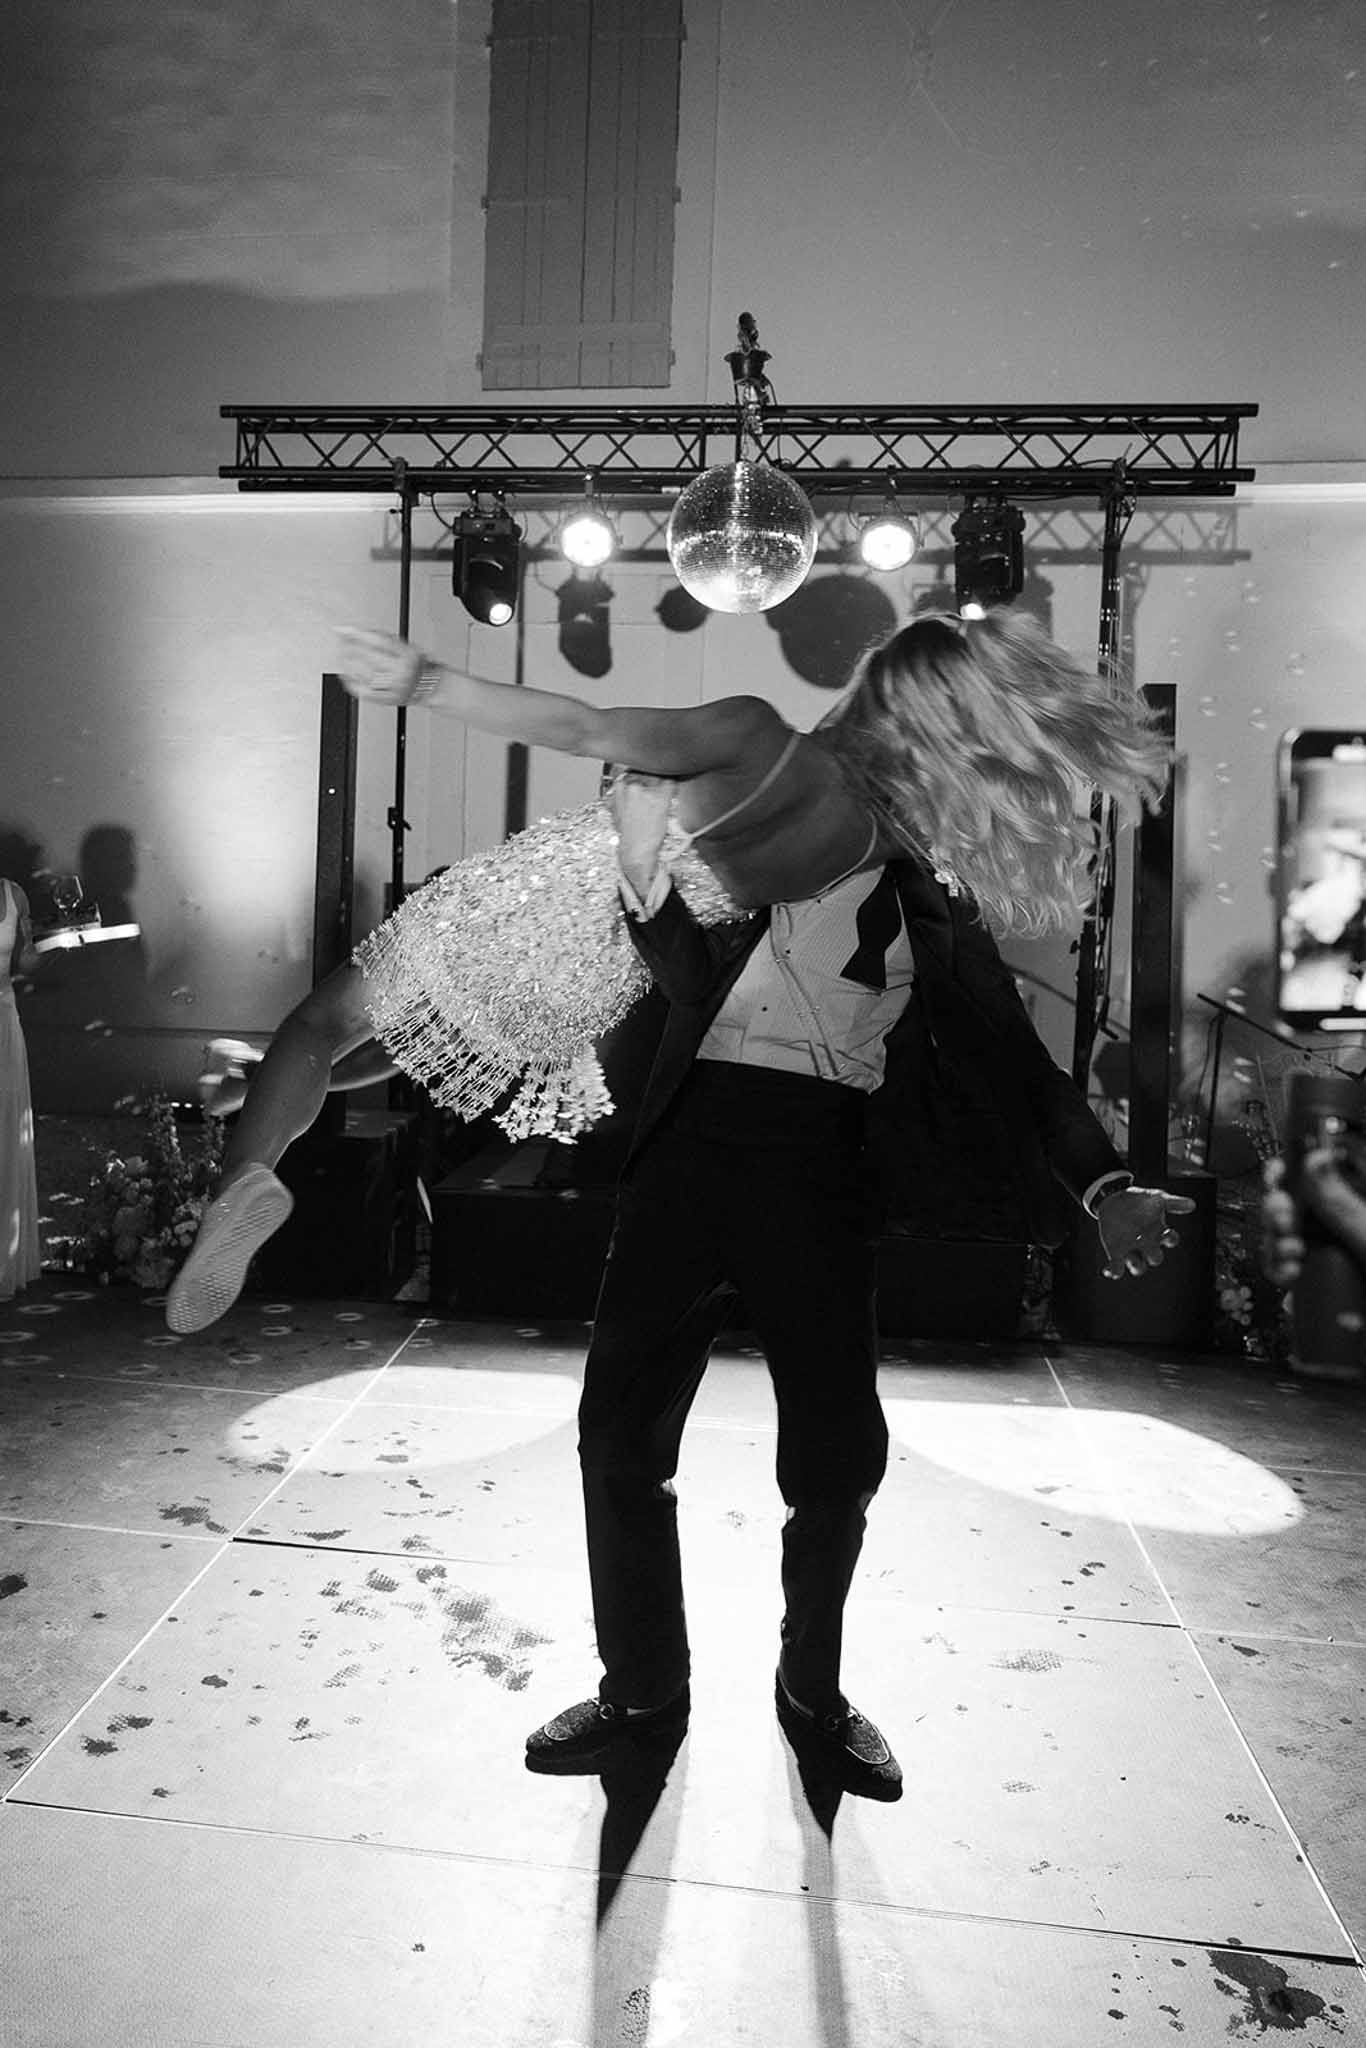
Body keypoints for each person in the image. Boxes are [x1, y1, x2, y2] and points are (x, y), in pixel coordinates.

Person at [166, 608, 1177, 1339]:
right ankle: (258, 1115)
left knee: (322, 1026)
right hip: (607, 977)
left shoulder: (777, 749)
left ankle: (240, 1183)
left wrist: (436, 683)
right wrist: (1106, 1183)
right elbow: (1013, 1051)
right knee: (407, 1045)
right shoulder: (894, 851)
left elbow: (598, 729)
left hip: (571, 891)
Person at [1, 876, 43, 1301]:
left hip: (3, 1022)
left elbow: (25, 963)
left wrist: (39, 947)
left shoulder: (12, 895)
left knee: (7, 1135)